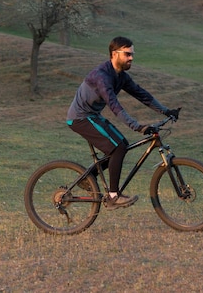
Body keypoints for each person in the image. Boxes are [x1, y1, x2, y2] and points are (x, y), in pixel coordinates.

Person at [66, 36, 180, 210]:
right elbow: (114, 106)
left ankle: (87, 178)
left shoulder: (121, 76)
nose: (131, 58)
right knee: (118, 147)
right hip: (80, 118)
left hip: (92, 115)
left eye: (132, 54)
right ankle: (113, 197)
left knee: (122, 146)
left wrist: (166, 110)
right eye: (127, 54)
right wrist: (137, 126)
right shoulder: (102, 76)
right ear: (114, 54)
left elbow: (142, 95)